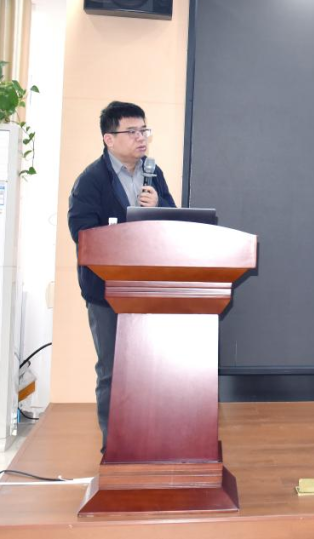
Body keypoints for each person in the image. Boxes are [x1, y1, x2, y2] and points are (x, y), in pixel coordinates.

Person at [67, 101, 176, 450]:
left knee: (149, 369)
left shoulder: (153, 174)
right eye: (132, 131)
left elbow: (175, 221)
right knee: (113, 371)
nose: (141, 137)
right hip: (106, 290)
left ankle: (147, 440)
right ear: (109, 139)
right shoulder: (91, 180)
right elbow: (82, 232)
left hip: (148, 288)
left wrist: (160, 206)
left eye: (144, 130)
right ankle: (114, 446)